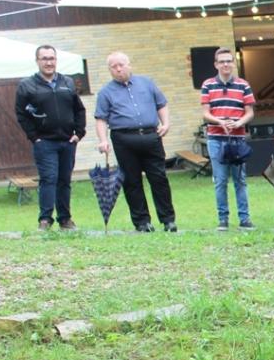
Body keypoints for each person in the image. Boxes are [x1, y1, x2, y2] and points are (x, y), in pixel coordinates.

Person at [94, 52, 178, 233]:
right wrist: (103, 140)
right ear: (109, 70)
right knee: (132, 182)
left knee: (159, 178)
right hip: (124, 140)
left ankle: (168, 220)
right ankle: (142, 222)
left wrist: (166, 123)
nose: (118, 69)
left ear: (129, 65)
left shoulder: (147, 83)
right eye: (113, 67)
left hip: (150, 136)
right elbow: (101, 118)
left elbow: (161, 104)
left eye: (121, 65)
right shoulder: (105, 92)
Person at [14, 45, 86, 231]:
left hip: (67, 142)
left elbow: (79, 109)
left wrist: (79, 133)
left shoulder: (67, 82)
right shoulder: (27, 85)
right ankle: (45, 219)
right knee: (48, 179)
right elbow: (21, 114)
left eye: (52, 58)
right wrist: (34, 137)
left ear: (56, 60)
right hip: (45, 142)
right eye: (44, 58)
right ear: (37, 61)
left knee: (64, 180)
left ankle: (65, 219)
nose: (49, 62)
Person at [200, 48, 256, 231]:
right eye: (222, 61)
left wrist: (238, 122)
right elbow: (205, 113)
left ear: (233, 63)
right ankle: (223, 219)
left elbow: (250, 113)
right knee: (221, 180)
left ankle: (244, 219)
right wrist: (220, 121)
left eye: (228, 61)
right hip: (216, 139)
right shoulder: (208, 85)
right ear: (216, 64)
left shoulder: (243, 85)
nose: (225, 64)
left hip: (237, 139)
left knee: (240, 180)